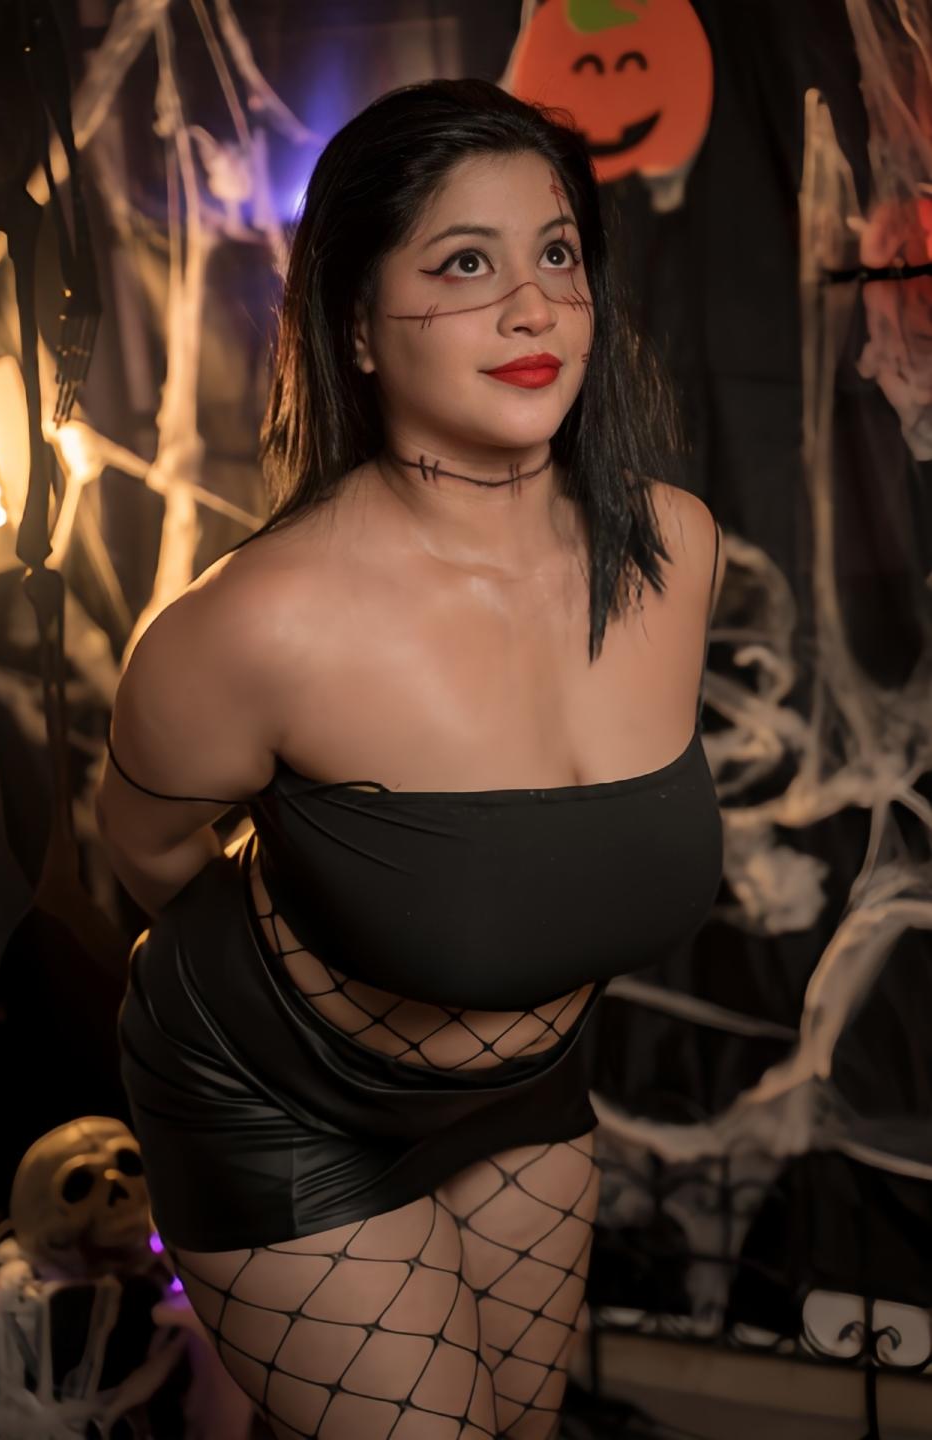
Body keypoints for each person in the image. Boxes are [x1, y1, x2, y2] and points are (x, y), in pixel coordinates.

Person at [97, 77, 725, 1440]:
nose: (534, 306)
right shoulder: (255, 624)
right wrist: (363, 950)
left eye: (556, 253)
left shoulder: (673, 550)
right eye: (464, 264)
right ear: (354, 327)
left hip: (525, 1083)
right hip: (275, 1092)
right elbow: (146, 856)